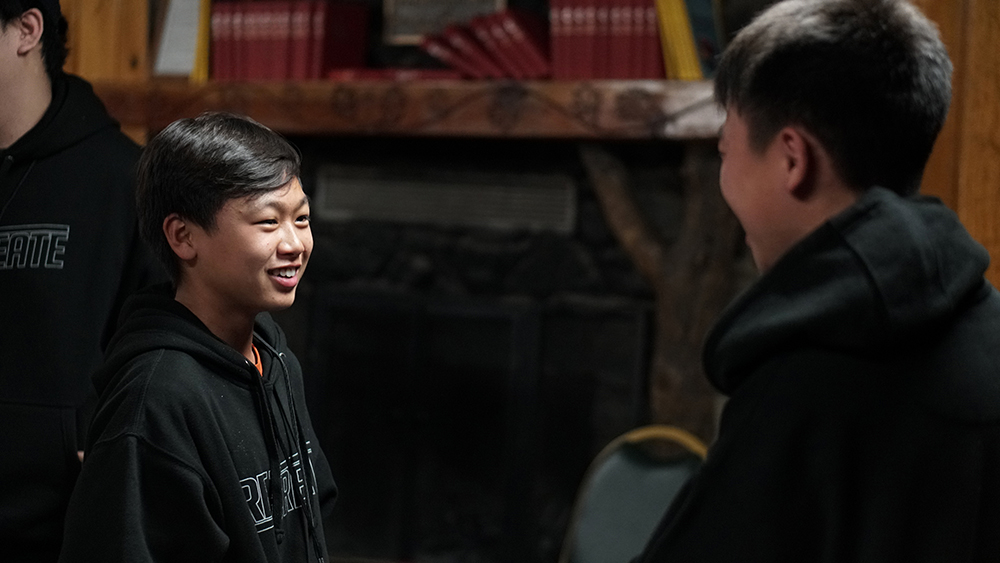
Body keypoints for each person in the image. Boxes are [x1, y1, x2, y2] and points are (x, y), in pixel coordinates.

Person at [636, 0, 1000, 561]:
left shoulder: (797, 390)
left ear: (792, 159)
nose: (725, 175)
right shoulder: (989, 329)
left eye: (727, 149)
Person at [58, 112, 338, 562]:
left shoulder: (275, 359)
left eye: (301, 218)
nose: (294, 245)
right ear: (183, 236)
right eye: (268, 222)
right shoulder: (155, 398)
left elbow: (313, 512)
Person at [0, 1, 161, 560]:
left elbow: (162, 344)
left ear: (26, 30)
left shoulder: (124, 180)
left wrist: (105, 436)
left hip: (62, 528)